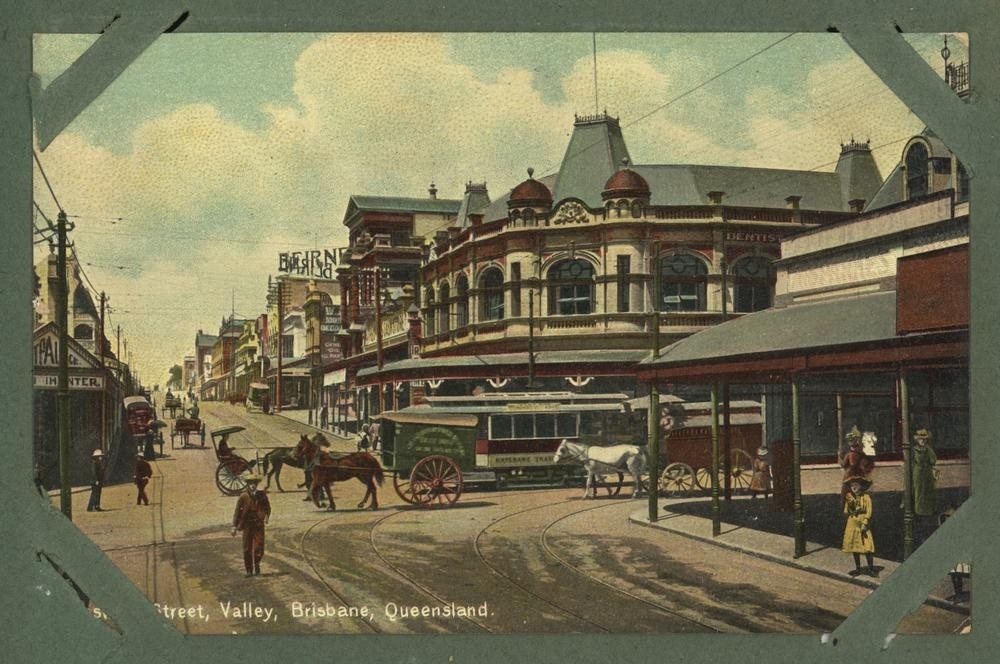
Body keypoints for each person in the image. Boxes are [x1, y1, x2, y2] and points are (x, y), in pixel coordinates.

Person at [231, 473, 271, 577]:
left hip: (258, 525)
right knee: (246, 548)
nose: (252, 485)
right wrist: (234, 526)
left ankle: (257, 564)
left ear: (257, 484)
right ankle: (249, 570)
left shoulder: (262, 495)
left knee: (259, 546)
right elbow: (237, 512)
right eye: (250, 483)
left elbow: (268, 507)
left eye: (254, 483)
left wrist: (266, 517)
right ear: (247, 484)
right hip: (247, 525)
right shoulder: (243, 496)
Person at [842, 476, 876, 577]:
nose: (854, 487)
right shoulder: (849, 497)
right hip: (852, 523)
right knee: (854, 546)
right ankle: (858, 568)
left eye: (856, 485)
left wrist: (865, 522)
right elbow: (845, 511)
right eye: (852, 485)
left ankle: (871, 568)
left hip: (862, 523)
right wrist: (850, 504)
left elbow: (869, 511)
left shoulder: (866, 497)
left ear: (862, 486)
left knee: (867, 546)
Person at [841, 426, 875, 505]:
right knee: (849, 493)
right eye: (852, 445)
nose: (854, 447)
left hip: (857, 474)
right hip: (851, 475)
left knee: (860, 493)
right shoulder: (850, 454)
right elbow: (845, 464)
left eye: (856, 444)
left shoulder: (861, 455)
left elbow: (845, 464)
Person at [912, 428, 938, 517]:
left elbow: (933, 460)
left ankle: (928, 511)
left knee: (927, 491)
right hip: (918, 473)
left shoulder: (928, 449)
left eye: (924, 439)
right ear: (917, 440)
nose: (922, 441)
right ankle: (918, 511)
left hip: (927, 472)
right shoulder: (914, 450)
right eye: (920, 439)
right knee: (918, 491)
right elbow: (911, 461)